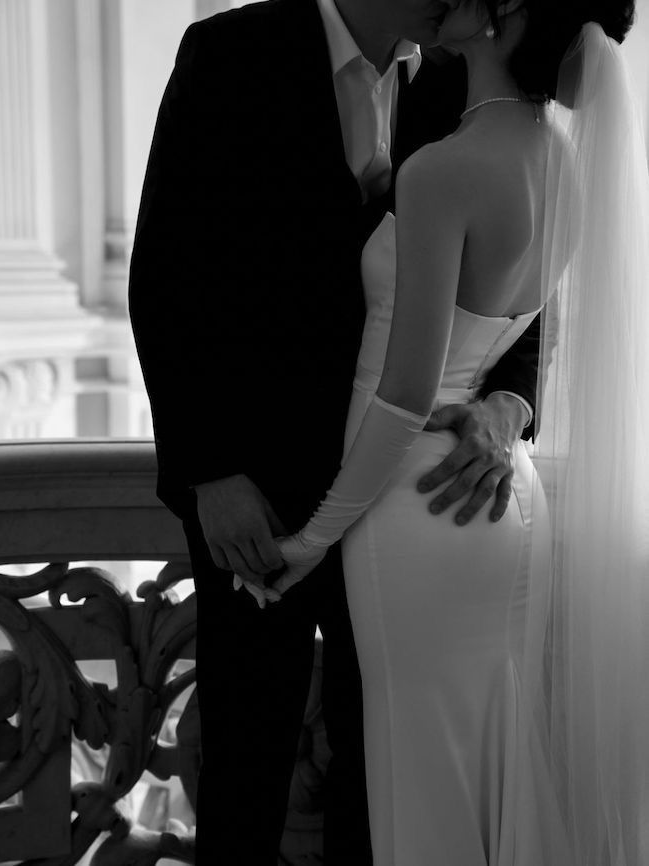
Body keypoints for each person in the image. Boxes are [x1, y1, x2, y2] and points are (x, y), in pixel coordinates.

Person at [128, 0, 544, 862]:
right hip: (260, 502)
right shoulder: (230, 54)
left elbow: (522, 286)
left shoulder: (465, 83)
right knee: (243, 773)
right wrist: (209, 472)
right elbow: (166, 276)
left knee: (384, 773)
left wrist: (510, 405)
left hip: (410, 506)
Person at [253, 0, 649, 864]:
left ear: (506, 17)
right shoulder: (565, 166)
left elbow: (401, 396)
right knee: (491, 762)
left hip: (415, 505)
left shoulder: (442, 170)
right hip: (506, 506)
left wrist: (315, 538)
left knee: (423, 783)